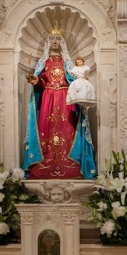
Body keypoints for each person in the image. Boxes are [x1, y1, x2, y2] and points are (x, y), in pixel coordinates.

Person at [22, 28, 95, 179]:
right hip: (48, 99)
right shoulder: (45, 62)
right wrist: (36, 81)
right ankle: (44, 164)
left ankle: (70, 165)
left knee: (67, 129)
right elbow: (42, 80)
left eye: (58, 39)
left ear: (62, 43)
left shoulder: (67, 63)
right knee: (46, 128)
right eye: (52, 39)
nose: (55, 41)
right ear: (48, 42)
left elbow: (72, 79)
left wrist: (80, 84)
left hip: (64, 99)